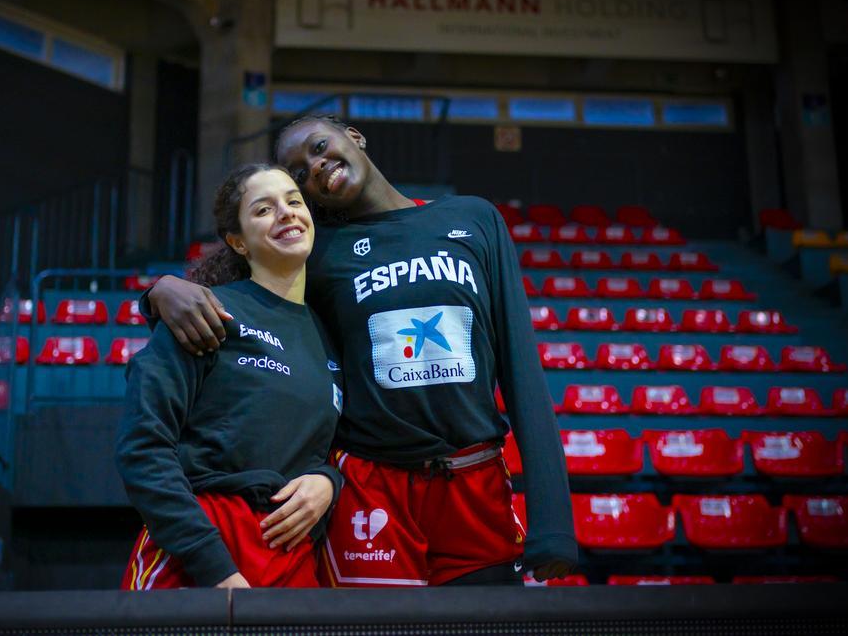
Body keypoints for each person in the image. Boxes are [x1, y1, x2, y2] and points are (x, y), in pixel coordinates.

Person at [141, 115, 577, 587]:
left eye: (320, 146)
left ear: (355, 137)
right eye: (301, 174)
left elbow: (522, 369)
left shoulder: (473, 218)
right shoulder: (316, 251)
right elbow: (244, 296)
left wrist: (553, 520)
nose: (316, 166)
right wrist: (158, 291)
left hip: (474, 482)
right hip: (373, 491)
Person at [116, 163, 345, 590]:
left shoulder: (330, 335)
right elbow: (142, 450)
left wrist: (328, 481)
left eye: (294, 201)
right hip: (202, 549)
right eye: (263, 209)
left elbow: (336, 449)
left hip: (290, 554)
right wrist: (214, 567)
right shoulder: (202, 312)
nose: (286, 213)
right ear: (238, 241)